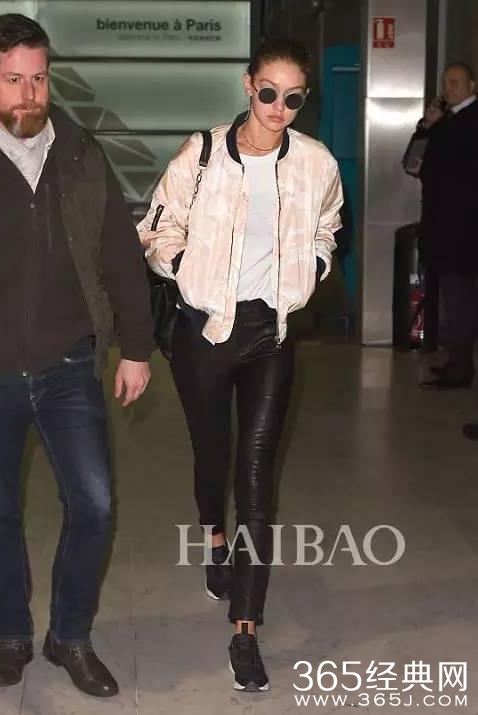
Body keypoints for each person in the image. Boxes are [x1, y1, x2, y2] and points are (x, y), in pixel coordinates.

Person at [0, 14, 154, 696]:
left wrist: (136, 347)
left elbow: (120, 255)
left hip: (67, 366)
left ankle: (69, 635)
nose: (29, 95)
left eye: (39, 79)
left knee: (94, 505)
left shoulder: (82, 153)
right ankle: (13, 636)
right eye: (14, 80)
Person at [138, 37, 343, 692]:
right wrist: (182, 267)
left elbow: (328, 225)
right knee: (213, 457)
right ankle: (213, 539)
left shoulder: (315, 162)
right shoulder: (202, 154)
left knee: (256, 475)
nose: (279, 107)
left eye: (294, 98)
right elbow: (156, 227)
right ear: (248, 85)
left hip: (270, 334)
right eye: (269, 92)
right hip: (204, 332)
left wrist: (314, 266)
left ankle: (245, 627)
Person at [407, 62, 478, 391]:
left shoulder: (470, 121)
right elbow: (413, 163)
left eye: (455, 82)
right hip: (442, 222)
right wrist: (426, 125)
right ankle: (456, 360)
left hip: (461, 227)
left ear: (472, 86)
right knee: (452, 296)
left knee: (459, 297)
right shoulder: (445, 121)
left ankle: (461, 367)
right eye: (446, 83)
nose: (448, 88)